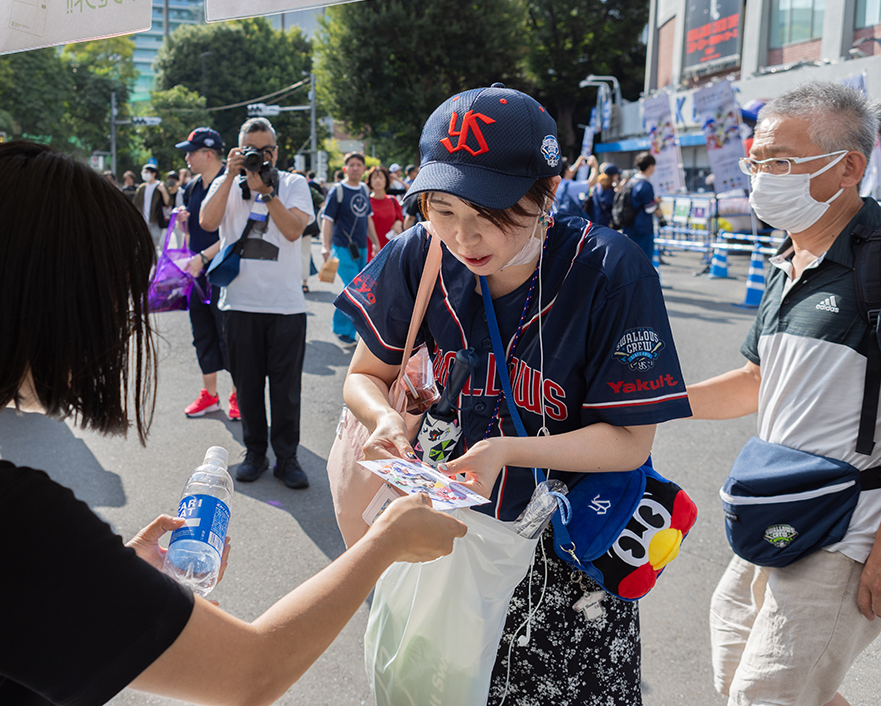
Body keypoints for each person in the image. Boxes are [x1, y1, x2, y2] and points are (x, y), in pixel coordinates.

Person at [0, 141, 467, 705]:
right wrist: (384, 542)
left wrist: (100, 575)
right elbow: (252, 671)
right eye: (106, 305)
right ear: (38, 307)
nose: (110, 334)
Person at [337, 84, 692, 705]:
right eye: (442, 210)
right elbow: (364, 374)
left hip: (562, 563)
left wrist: (505, 451)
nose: (465, 238)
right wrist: (382, 423)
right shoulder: (418, 255)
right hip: (440, 537)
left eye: (491, 213)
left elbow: (630, 442)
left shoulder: (609, 272)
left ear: (546, 192)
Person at [687, 82, 881, 706]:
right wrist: (644, 402)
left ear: (849, 167)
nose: (762, 178)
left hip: (849, 530)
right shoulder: (788, 257)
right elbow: (756, 381)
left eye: (780, 163)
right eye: (757, 162)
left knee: (764, 698)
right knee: (736, 670)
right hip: (777, 508)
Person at [200, 118, 315, 489]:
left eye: (265, 150)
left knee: (286, 390)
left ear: (276, 152)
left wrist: (266, 191)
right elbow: (206, 221)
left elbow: (294, 229)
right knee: (247, 387)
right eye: (250, 149)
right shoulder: (226, 181)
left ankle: (287, 458)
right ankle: (254, 453)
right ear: (238, 150)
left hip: (285, 306)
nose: (258, 156)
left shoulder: (293, 183)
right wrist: (231, 176)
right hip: (239, 305)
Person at [174, 127, 238, 421]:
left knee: (229, 335)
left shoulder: (233, 183)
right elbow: (189, 234)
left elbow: (235, 234)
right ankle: (209, 394)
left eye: (191, 151)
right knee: (201, 333)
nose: (186, 157)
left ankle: (238, 394)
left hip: (225, 273)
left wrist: (203, 257)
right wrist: (182, 224)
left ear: (208, 153)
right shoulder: (191, 187)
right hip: (196, 274)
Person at [321, 152, 380, 343]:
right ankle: (343, 330)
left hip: (361, 246)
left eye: (359, 165)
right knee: (353, 288)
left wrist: (376, 242)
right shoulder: (337, 190)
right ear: (345, 168)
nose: (355, 168)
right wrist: (325, 246)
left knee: (353, 289)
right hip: (341, 246)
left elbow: (367, 218)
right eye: (351, 165)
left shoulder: (363, 188)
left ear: (363, 170)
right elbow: (327, 220)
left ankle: (343, 328)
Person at [621, 153, 659, 261]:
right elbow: (649, 208)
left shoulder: (631, 182)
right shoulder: (645, 184)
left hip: (629, 225)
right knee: (644, 262)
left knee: (630, 260)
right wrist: (656, 202)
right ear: (650, 166)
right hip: (643, 228)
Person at [366, 166, 404, 262]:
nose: (378, 180)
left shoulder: (392, 200)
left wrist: (398, 222)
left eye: (381, 177)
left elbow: (400, 218)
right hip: (371, 252)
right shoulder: (366, 202)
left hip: (391, 251)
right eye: (374, 177)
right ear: (370, 181)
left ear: (386, 180)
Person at [133, 164, 170, 249]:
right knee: (144, 244)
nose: (144, 174)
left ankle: (155, 261)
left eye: (147, 172)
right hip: (143, 220)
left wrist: (163, 191)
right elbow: (135, 203)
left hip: (155, 220)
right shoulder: (142, 187)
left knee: (154, 244)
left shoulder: (160, 186)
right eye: (143, 172)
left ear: (154, 174)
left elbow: (168, 202)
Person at [552, 153, 598, 220]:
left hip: (559, 218)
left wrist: (577, 164)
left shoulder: (557, 183)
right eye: (570, 167)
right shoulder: (570, 186)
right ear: (566, 171)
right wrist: (594, 166)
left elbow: (570, 172)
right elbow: (591, 182)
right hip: (571, 220)